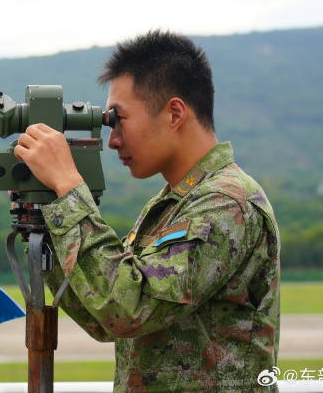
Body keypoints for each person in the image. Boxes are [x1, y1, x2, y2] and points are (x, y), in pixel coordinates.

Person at [14, 30, 280, 392]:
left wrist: (69, 190)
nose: (113, 139)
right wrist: (46, 223)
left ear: (174, 113)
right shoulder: (171, 205)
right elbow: (105, 318)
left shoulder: (227, 204)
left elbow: (129, 310)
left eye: (119, 119)